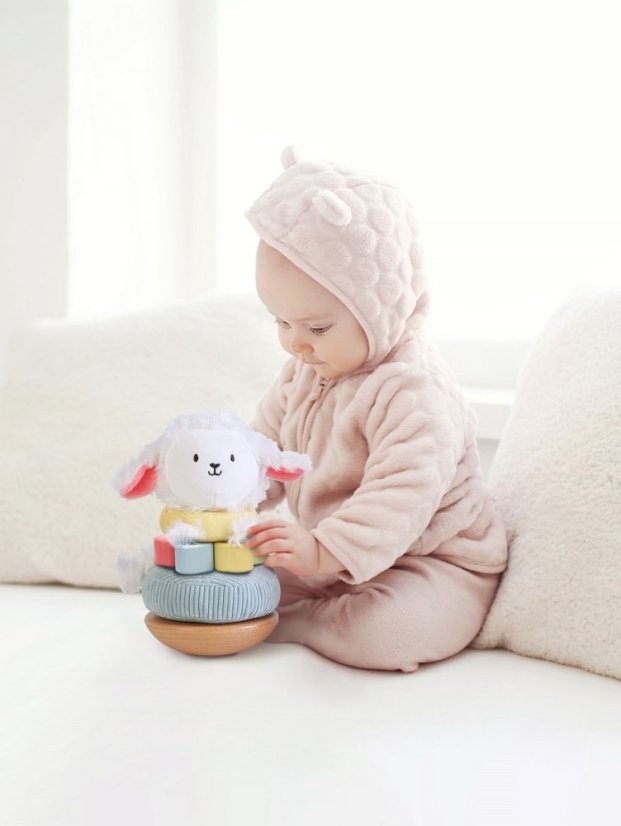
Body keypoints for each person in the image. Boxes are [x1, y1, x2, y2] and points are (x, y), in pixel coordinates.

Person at [244, 146, 508, 672]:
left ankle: (310, 622)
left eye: (317, 327)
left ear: (378, 309)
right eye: (281, 322)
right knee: (237, 577)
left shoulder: (413, 390)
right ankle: (288, 607)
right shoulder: (306, 366)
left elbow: (401, 495)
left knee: (388, 633)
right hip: (331, 558)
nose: (295, 343)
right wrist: (230, 498)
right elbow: (264, 449)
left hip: (432, 565)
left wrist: (321, 552)